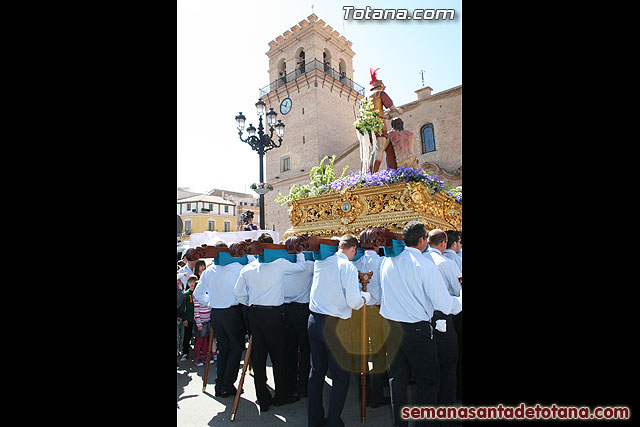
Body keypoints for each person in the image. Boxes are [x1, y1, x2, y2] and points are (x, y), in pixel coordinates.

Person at [379, 221, 462, 427]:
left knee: (397, 379)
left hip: (391, 327)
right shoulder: (424, 265)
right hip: (416, 329)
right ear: (423, 240)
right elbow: (443, 303)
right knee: (427, 380)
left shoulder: (387, 261)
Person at [233, 233, 307, 412]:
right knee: (278, 356)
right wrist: (300, 251)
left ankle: (263, 398)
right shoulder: (279, 265)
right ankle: (281, 395)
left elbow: (238, 293)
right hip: (273, 314)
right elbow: (301, 267)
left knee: (258, 357)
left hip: (255, 313)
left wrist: (250, 302)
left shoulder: (248, 269)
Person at [308, 234, 371, 427]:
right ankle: (334, 421)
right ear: (353, 249)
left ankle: (315, 420)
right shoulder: (348, 267)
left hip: (314, 320)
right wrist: (365, 297)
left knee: (316, 372)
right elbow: (353, 301)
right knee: (341, 376)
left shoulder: (321, 263)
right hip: (335, 325)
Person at [194, 240, 246, 397]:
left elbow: (198, 294)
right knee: (235, 348)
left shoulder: (209, 271)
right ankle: (227, 385)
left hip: (216, 313)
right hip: (231, 312)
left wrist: (211, 302)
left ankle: (220, 384)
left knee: (224, 349)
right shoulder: (236, 267)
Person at [426, 229, 462, 413]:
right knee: (448, 364)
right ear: (444, 243)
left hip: (423, 319)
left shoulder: (422, 261)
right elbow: (458, 291)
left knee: (432, 366)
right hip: (444, 315)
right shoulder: (446, 264)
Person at [351, 238, 389, 408]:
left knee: (361, 352)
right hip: (375, 310)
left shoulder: (356, 262)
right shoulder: (382, 262)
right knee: (378, 352)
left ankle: (362, 392)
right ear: (376, 245)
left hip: (359, 310)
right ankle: (376, 394)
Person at [282, 248, 315, 400]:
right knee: (305, 349)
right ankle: (303, 385)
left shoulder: (282, 264)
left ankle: (290, 385)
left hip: (286, 309)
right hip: (302, 310)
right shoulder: (309, 265)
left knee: (290, 349)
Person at [192, 275, 212, 367]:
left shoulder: (207, 296)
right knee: (199, 341)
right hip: (200, 324)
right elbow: (196, 313)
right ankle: (197, 358)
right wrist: (199, 324)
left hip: (207, 322)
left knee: (205, 341)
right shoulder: (196, 299)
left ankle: (205, 357)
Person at [180, 274, 196, 362]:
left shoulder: (199, 293)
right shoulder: (186, 294)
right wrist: (184, 318)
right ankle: (185, 352)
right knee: (187, 335)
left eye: (194, 281)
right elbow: (184, 308)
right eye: (190, 282)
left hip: (198, 317)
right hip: (189, 318)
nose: (192, 284)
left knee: (199, 336)